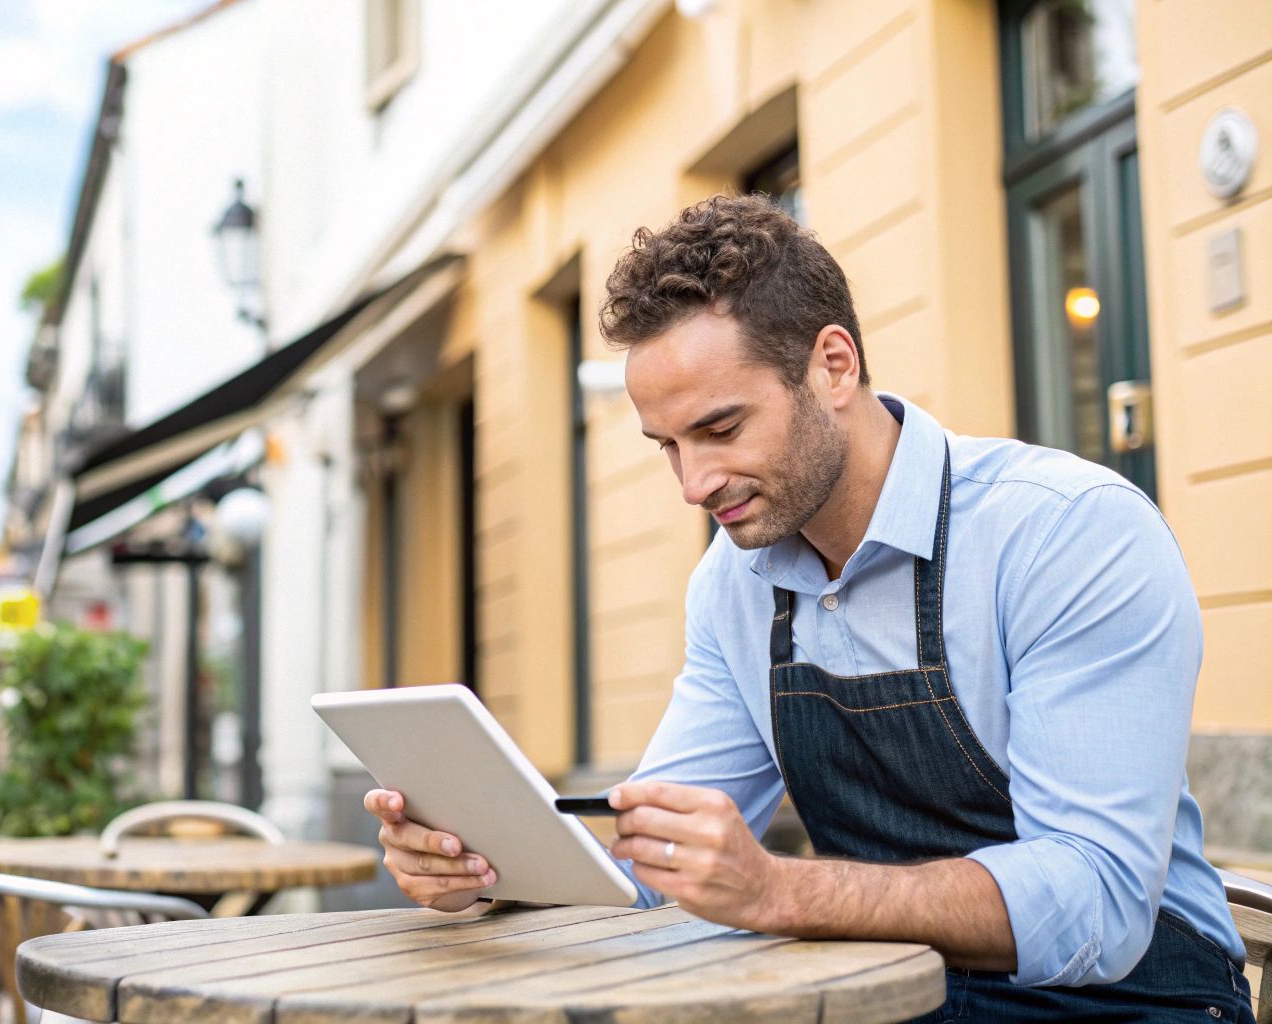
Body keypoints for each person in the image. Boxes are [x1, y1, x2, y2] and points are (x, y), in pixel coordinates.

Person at [364, 194, 1254, 1020]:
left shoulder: (1065, 534)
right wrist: (486, 870)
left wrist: (780, 892)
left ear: (833, 364)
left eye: (719, 430)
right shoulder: (733, 583)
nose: (695, 483)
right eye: (667, 446)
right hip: (890, 995)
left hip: (1134, 1000)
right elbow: (655, 855)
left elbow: (1095, 902)